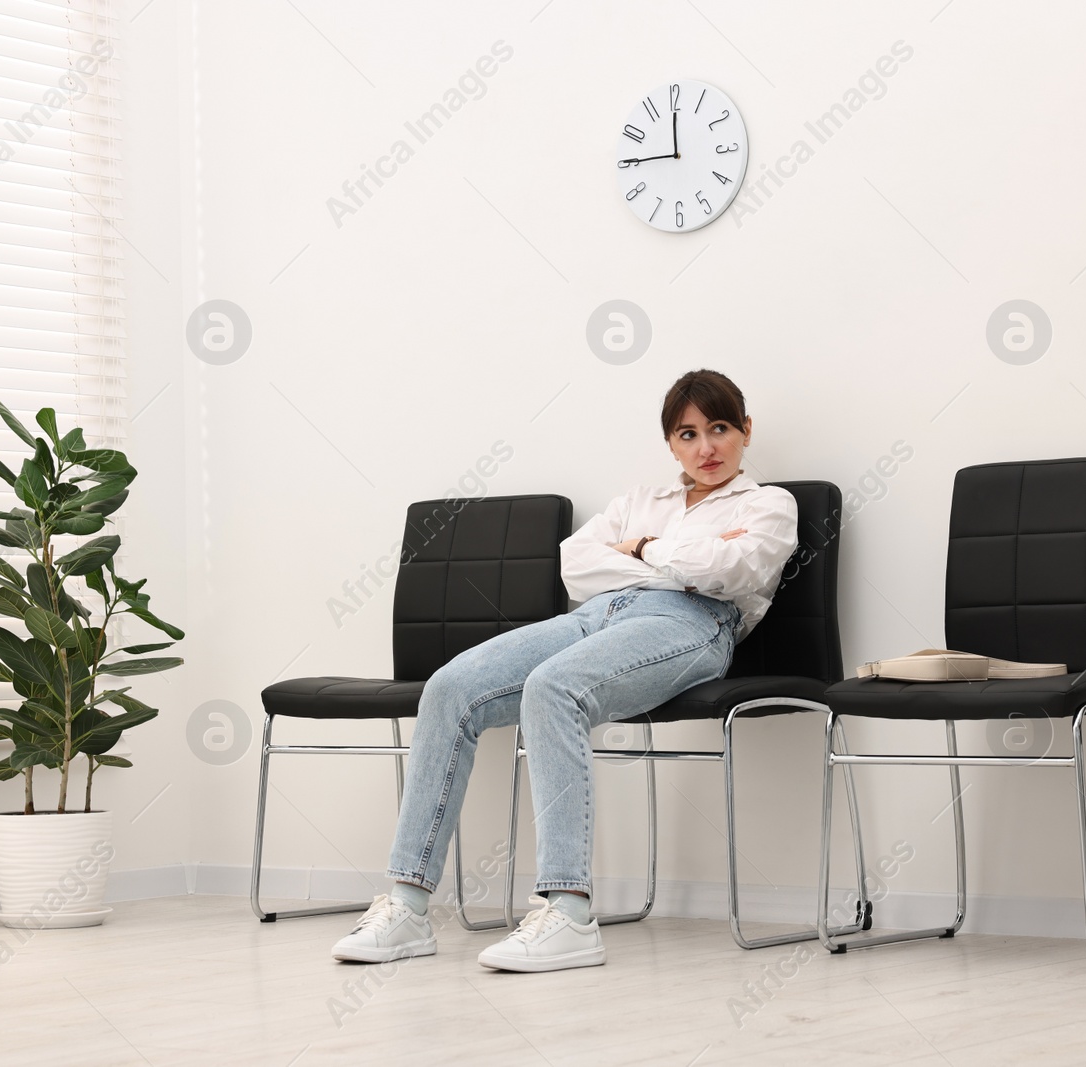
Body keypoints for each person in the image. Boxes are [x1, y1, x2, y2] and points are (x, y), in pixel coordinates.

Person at [331, 369, 799, 972]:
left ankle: (569, 912)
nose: (705, 448)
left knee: (554, 689)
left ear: (745, 431)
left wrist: (644, 550)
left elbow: (727, 575)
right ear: (670, 443)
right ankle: (407, 905)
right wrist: (675, 562)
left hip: (692, 624)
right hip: (598, 613)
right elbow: (575, 567)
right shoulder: (640, 501)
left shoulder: (769, 504)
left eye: (719, 429)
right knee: (449, 688)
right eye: (686, 435)